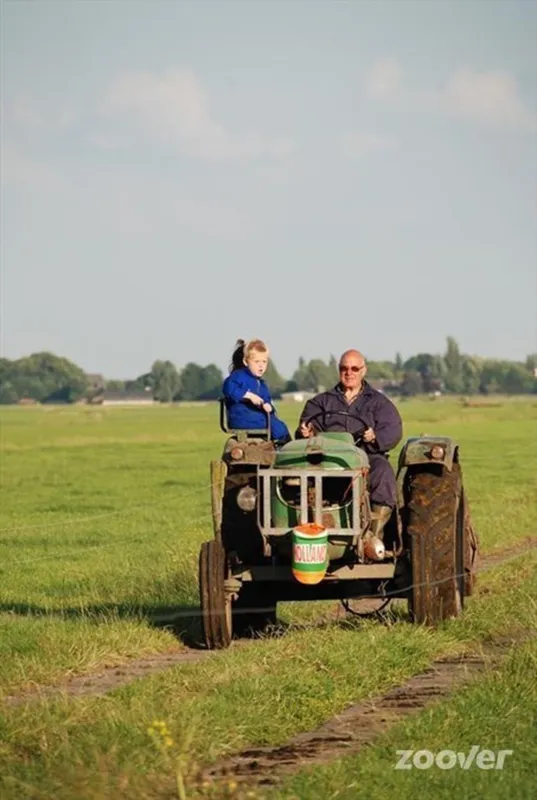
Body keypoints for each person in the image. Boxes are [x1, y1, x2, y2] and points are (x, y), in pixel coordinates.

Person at [296, 349, 403, 540]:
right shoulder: (320, 402)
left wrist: (374, 437)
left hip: (366, 458)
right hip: (327, 460)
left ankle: (373, 536)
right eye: (344, 368)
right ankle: (304, 532)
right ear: (339, 370)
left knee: (383, 471)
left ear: (363, 370)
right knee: (297, 477)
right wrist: (305, 433)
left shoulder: (379, 403)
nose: (349, 372)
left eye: (354, 368)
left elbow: (393, 431)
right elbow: (306, 428)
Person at [222, 339, 291, 444]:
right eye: (257, 362)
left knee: (278, 424)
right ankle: (283, 446)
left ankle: (282, 443)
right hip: (243, 418)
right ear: (246, 362)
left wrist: (268, 406)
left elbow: (266, 399)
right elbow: (228, 388)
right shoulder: (238, 376)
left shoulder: (261, 384)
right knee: (279, 428)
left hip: (255, 418)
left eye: (264, 362)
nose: (261, 365)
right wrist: (249, 396)